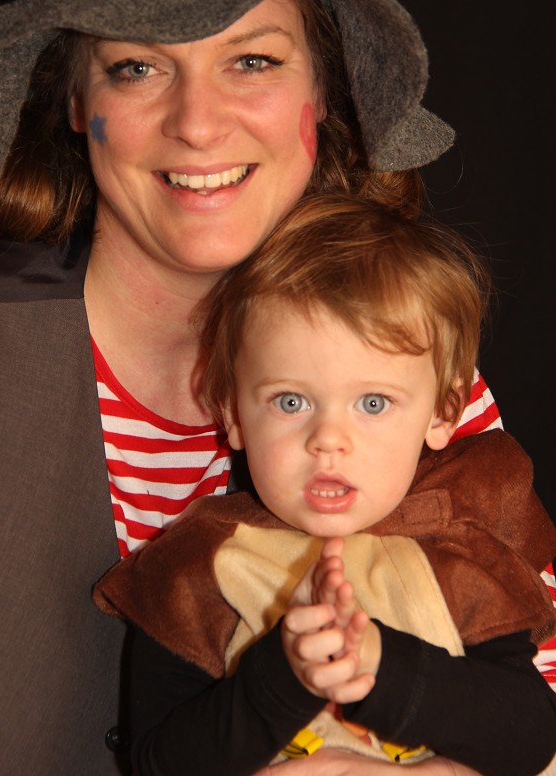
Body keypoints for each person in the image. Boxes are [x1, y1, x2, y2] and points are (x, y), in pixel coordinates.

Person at [0, 0, 553, 773]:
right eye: (136, 68)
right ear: (72, 101)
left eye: (250, 59)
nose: (198, 124)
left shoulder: (400, 351)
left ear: (323, 93)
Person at [94, 194, 556, 776]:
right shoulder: (194, 568)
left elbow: (532, 734)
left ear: (443, 413)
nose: (328, 440)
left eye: (373, 403)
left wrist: (381, 666)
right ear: (234, 414)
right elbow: (156, 763)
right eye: (291, 402)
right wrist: (281, 678)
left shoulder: (462, 551)